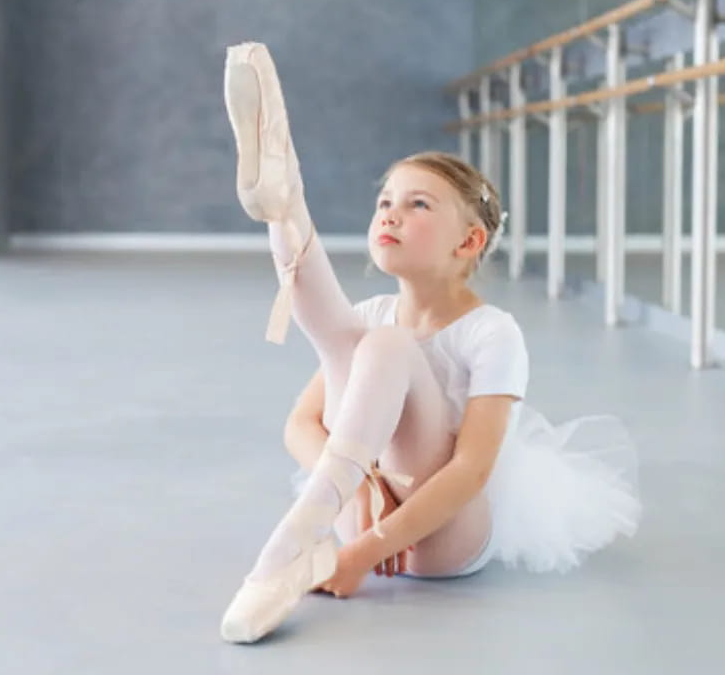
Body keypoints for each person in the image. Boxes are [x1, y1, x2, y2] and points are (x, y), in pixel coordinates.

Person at [219, 42, 641, 644]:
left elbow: (470, 471)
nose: (390, 214)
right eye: (384, 202)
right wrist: (359, 482)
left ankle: (285, 547)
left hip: (441, 534)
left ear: (468, 242)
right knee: (352, 337)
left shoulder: (493, 332)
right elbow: (300, 424)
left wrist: (365, 551)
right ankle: (283, 207)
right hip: (355, 503)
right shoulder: (369, 313)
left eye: (417, 205)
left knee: (384, 345)